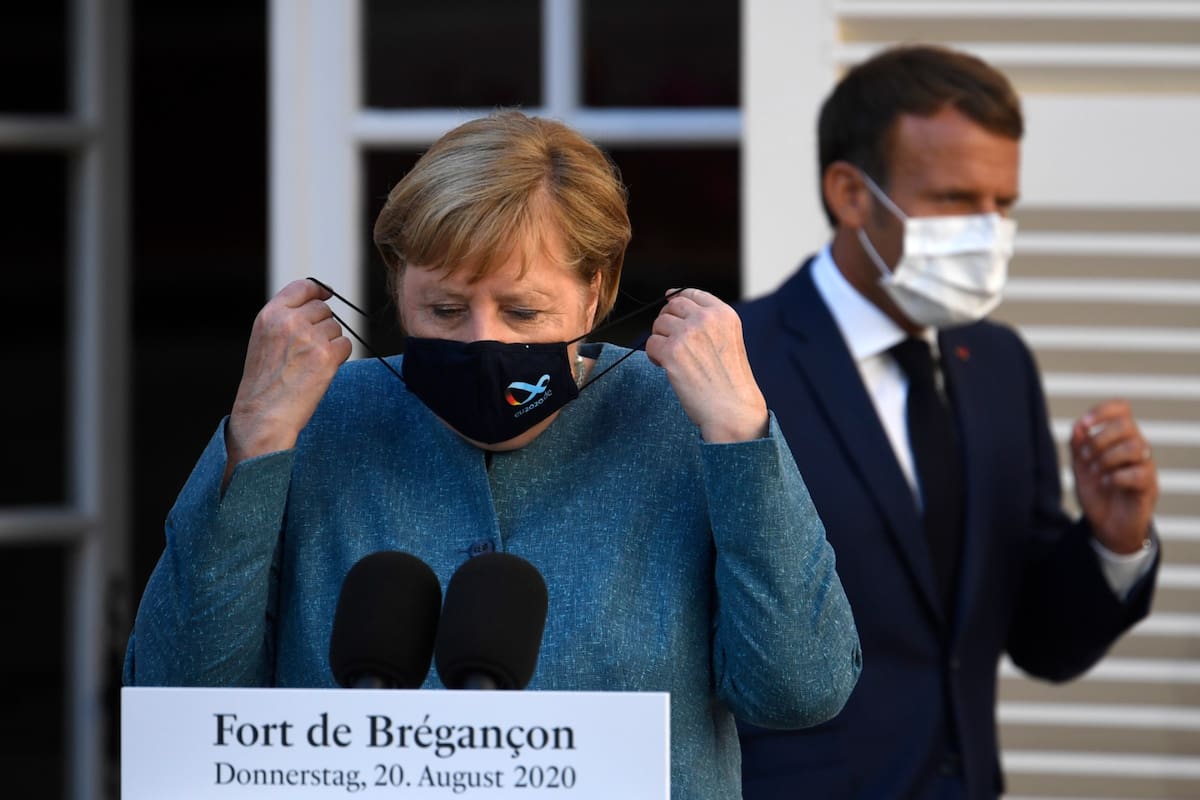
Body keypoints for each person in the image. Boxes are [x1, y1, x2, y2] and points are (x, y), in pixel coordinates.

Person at [123, 109, 861, 798]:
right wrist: (255, 435)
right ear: (396, 287)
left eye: (523, 310)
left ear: (595, 291)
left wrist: (739, 434)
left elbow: (798, 691)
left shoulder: (685, 417)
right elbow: (177, 701)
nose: (485, 342)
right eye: (444, 309)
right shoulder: (314, 416)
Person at [736, 45, 1160, 799]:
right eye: (958, 200)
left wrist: (1110, 543)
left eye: (1005, 205)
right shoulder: (734, 367)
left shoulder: (997, 364)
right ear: (851, 194)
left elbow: (1041, 643)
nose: (989, 230)